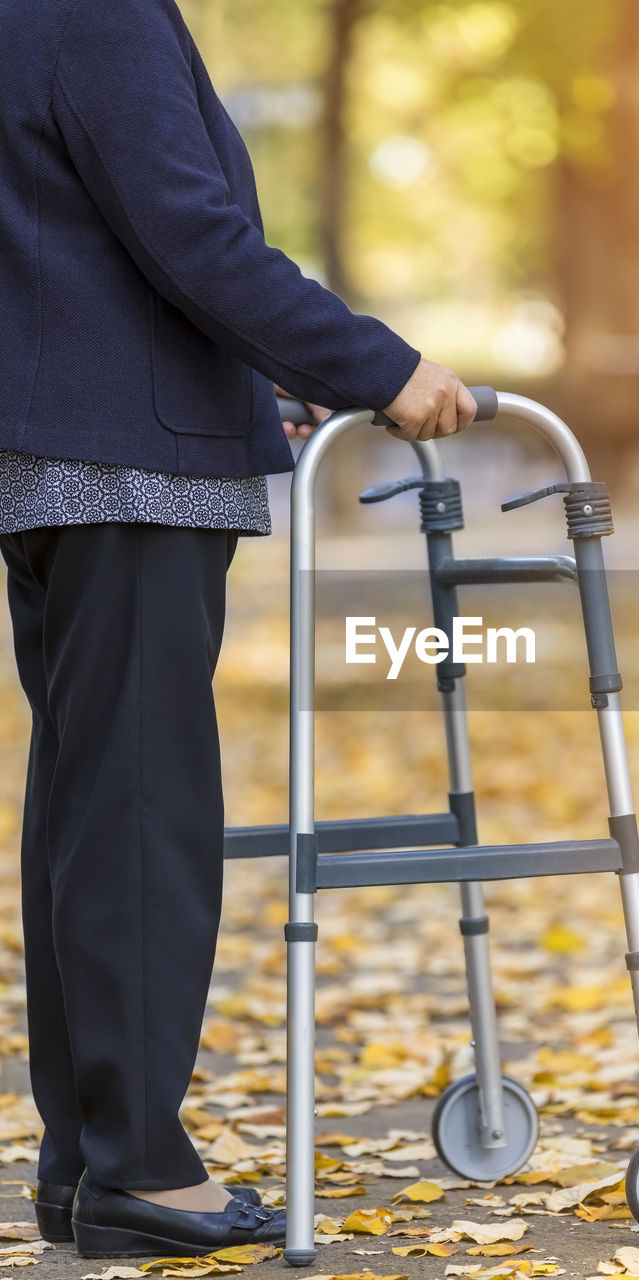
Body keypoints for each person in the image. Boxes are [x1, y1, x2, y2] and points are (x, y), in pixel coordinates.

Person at [0, 0, 477, 1258]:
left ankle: (87, 1163)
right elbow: (189, 232)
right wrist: (379, 363)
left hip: (69, 455)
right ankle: (141, 1167)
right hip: (126, 469)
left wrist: (251, 379)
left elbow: (73, 253)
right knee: (143, 812)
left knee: (88, 812)